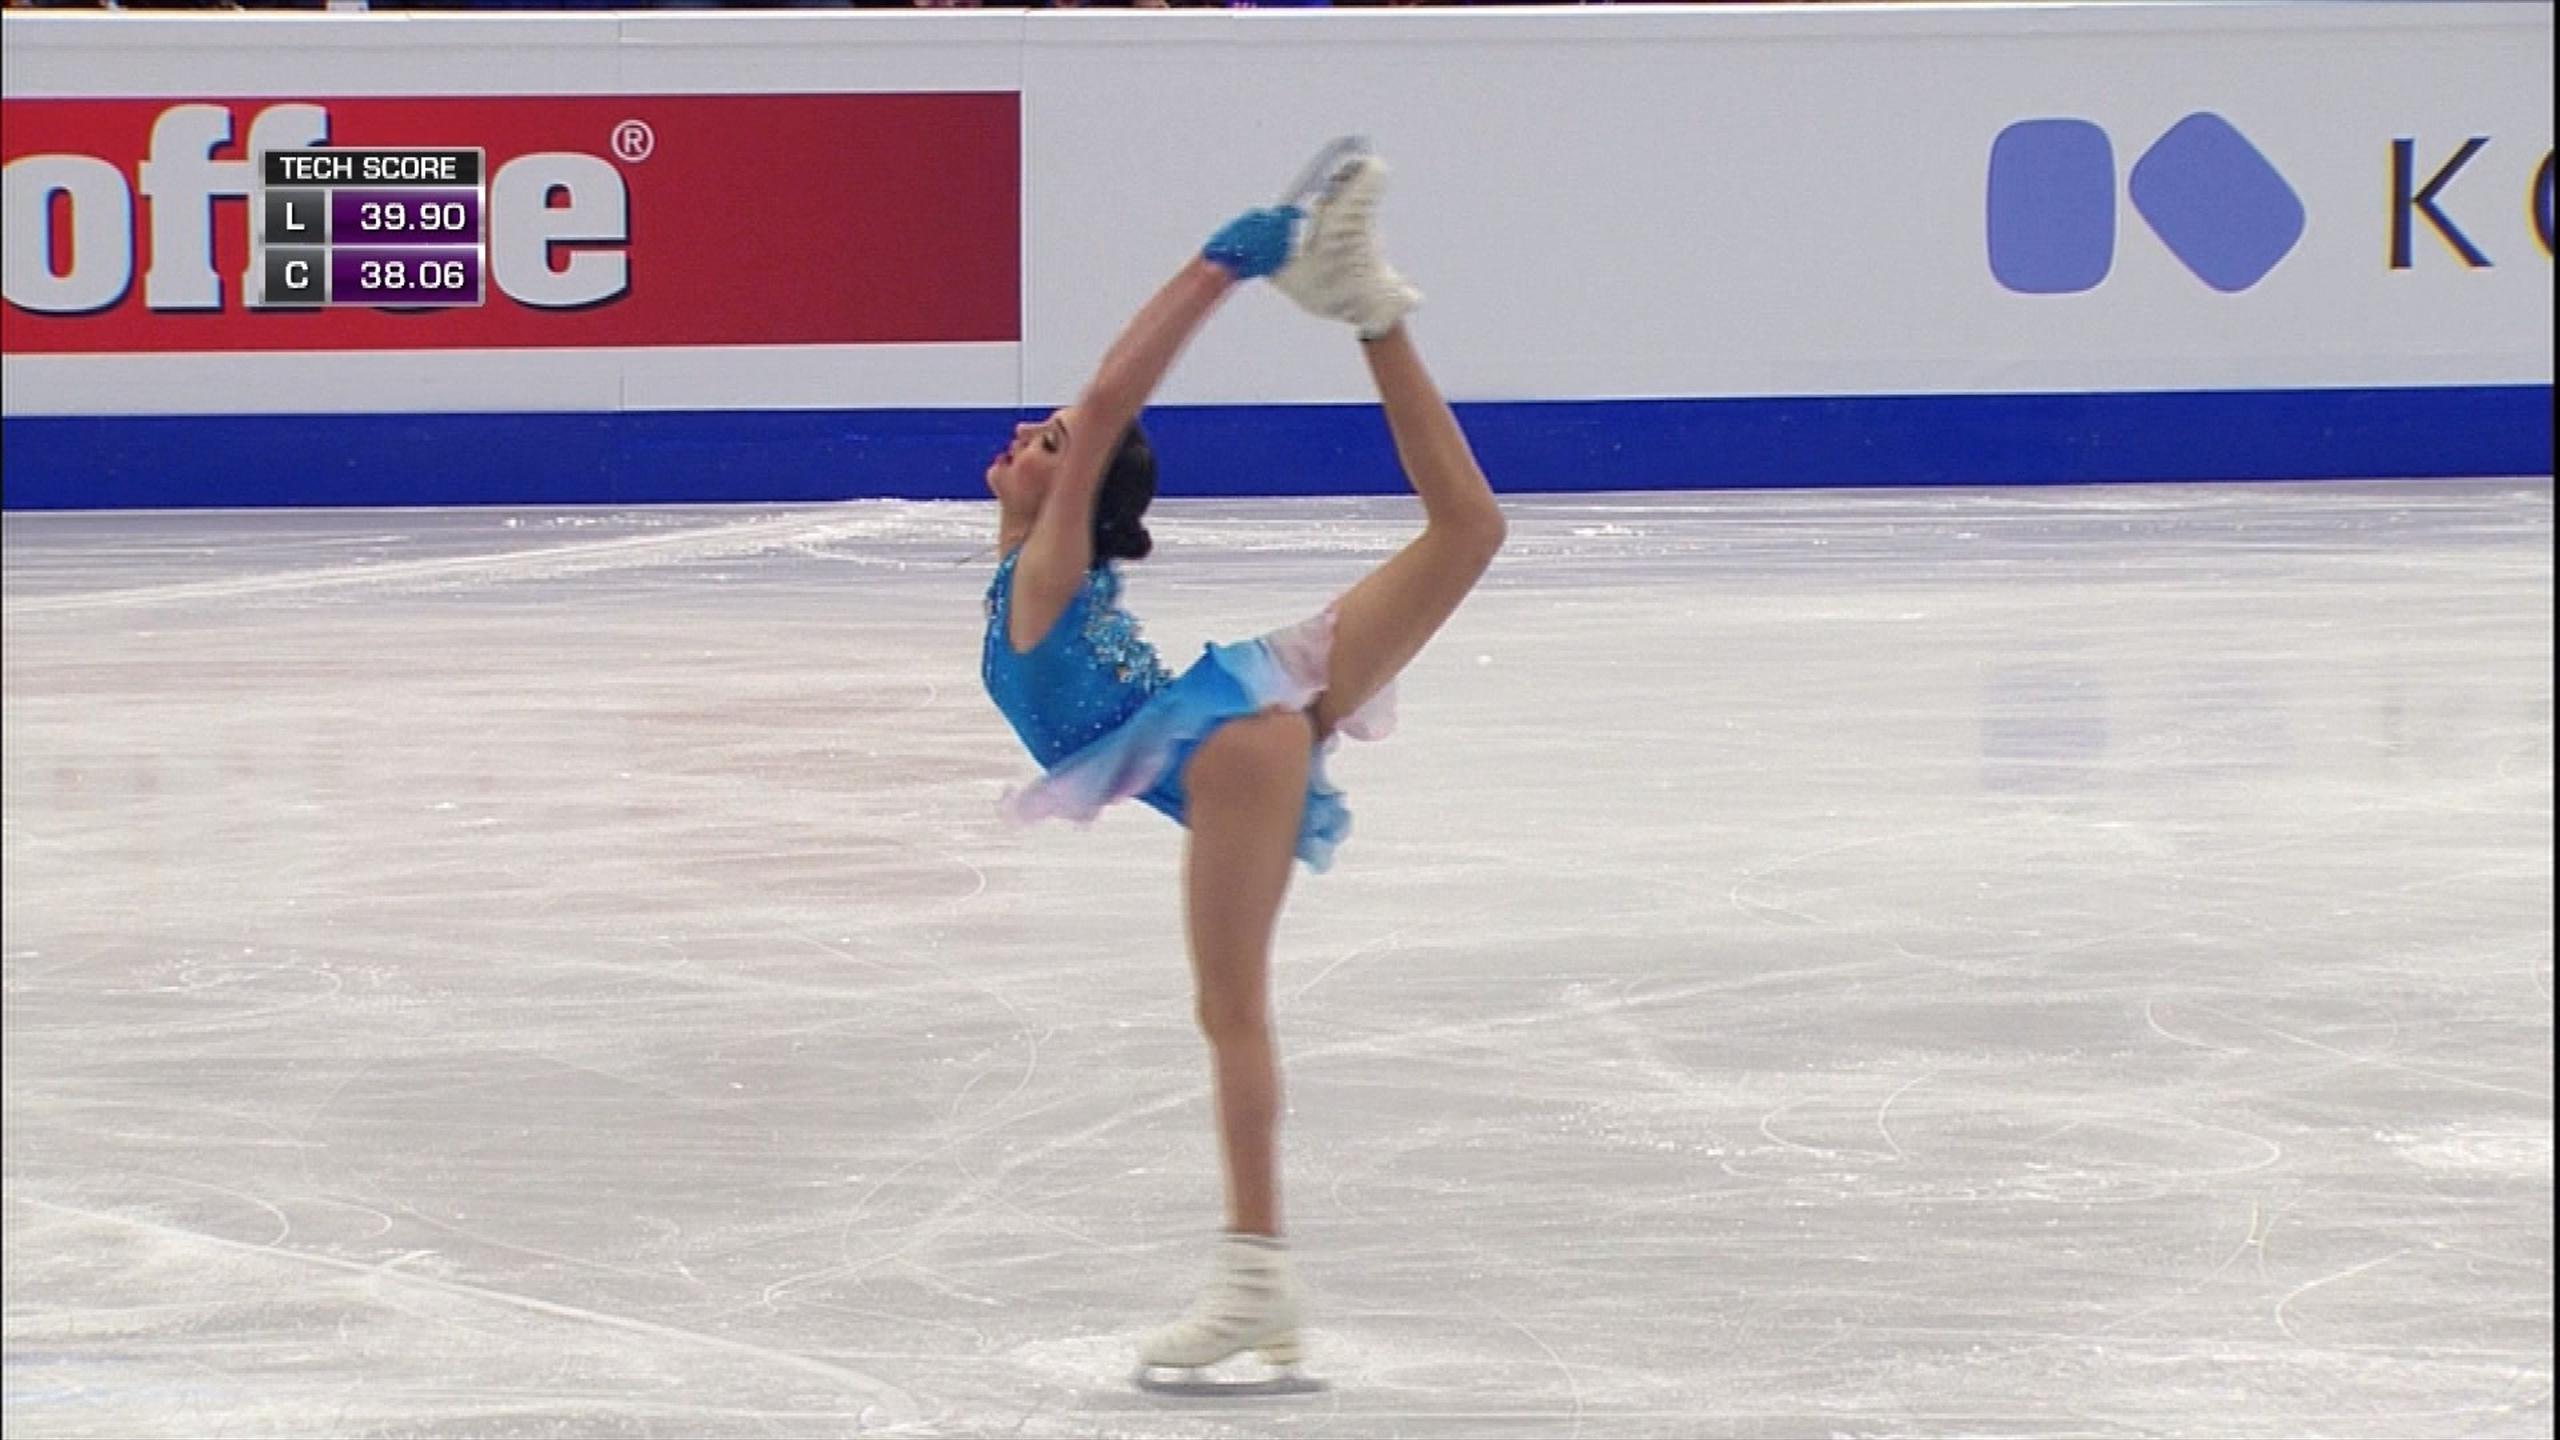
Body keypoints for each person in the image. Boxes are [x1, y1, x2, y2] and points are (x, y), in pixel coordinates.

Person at [979, 141, 1504, 1381]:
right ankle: (1373, 315)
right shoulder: (1040, 573)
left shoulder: (1050, 577)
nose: (1027, 432)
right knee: (1469, 532)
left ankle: (1255, 1279)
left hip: (1224, 743)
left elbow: (1109, 402)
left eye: (1047, 441)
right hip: (1233, 710)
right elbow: (1095, 417)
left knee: (1230, 1012)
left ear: (1082, 494)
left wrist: (1215, 271)